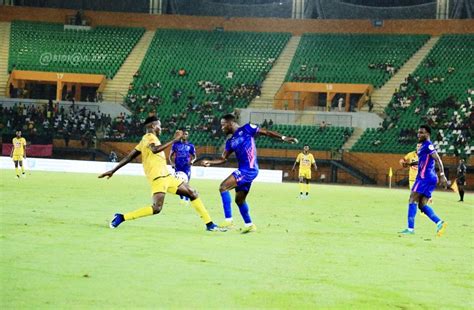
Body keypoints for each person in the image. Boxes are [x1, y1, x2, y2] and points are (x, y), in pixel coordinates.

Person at [98, 116, 224, 232]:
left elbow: (129, 157)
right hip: (158, 177)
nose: (161, 128)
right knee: (156, 208)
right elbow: (155, 150)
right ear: (153, 126)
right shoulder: (150, 138)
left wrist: (113, 170)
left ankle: (210, 224)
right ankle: (121, 217)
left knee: (192, 193)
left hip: (167, 176)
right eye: (159, 125)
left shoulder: (145, 140)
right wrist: (175, 139)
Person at [201, 114, 298, 233]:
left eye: (223, 125)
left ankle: (229, 221)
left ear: (230, 123)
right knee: (239, 200)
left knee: (223, 187)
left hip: (249, 169)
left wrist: (283, 137)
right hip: (244, 170)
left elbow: (266, 132)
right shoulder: (230, 141)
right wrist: (210, 162)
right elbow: (223, 159)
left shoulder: (247, 129)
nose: (221, 128)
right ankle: (250, 225)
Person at [399, 125, 448, 237]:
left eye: (421, 133)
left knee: (412, 198)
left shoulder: (428, 145)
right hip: (428, 178)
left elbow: (438, 159)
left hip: (424, 178)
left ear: (428, 134)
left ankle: (410, 229)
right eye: (418, 132)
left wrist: (442, 175)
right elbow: (422, 161)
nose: (419, 135)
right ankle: (440, 223)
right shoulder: (422, 146)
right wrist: (410, 164)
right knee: (421, 205)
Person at [169, 130, 196, 204]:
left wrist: (192, 161)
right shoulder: (175, 145)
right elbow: (170, 156)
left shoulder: (190, 146)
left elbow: (194, 157)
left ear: (188, 136)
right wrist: (172, 163)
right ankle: (181, 199)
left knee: (186, 183)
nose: (184, 135)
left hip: (186, 167)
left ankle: (187, 199)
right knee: (178, 183)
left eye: (186, 134)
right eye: (183, 134)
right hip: (178, 166)